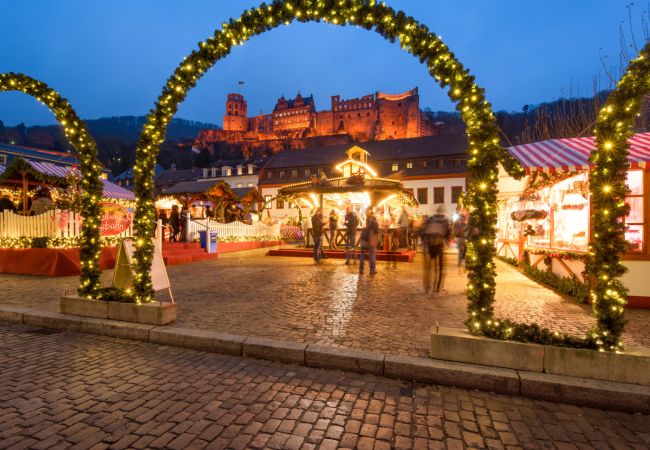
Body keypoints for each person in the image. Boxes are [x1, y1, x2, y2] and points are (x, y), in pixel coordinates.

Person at [420, 205, 451, 294]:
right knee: (439, 269)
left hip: (429, 247)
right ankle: (437, 287)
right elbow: (448, 233)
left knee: (427, 269)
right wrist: (445, 242)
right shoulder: (445, 221)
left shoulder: (430, 219)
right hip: (438, 246)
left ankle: (427, 288)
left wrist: (425, 242)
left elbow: (422, 231)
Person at [359, 207, 379, 275]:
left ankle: (361, 270)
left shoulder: (366, 220)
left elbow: (364, 229)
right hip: (371, 240)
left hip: (364, 239)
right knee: (372, 254)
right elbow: (376, 230)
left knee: (362, 255)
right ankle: (372, 270)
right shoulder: (374, 221)